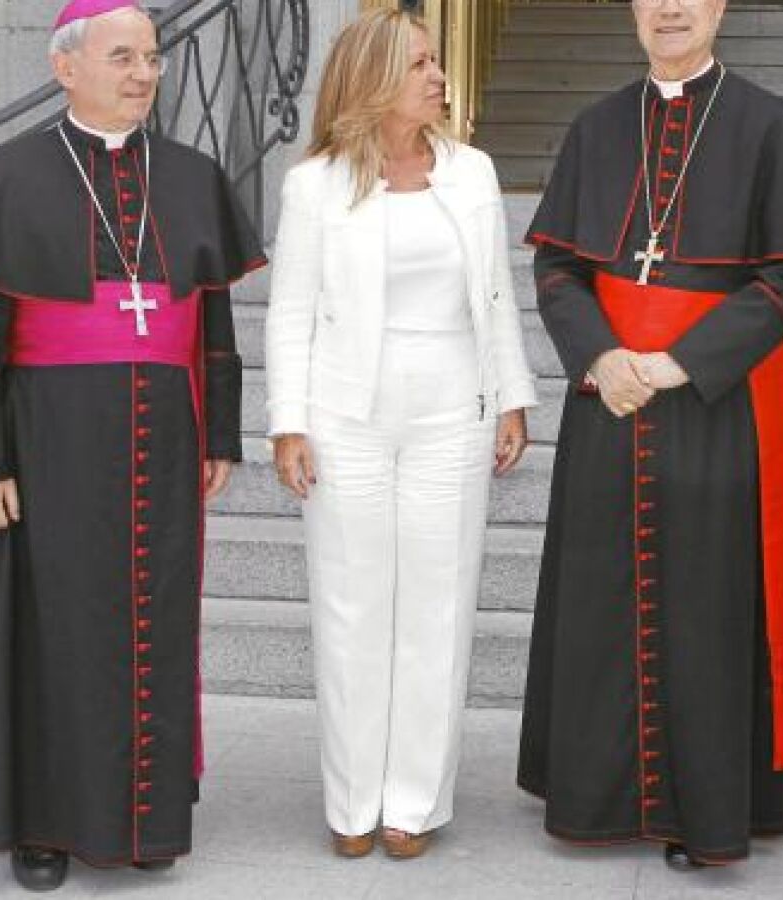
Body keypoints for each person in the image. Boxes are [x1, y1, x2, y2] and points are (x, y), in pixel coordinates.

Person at [0, 0, 264, 890]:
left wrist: (221, 430)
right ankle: (43, 823)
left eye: (151, 57)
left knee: (157, 622)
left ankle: (147, 816)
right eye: (122, 57)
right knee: (54, 623)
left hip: (167, 432)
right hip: (50, 436)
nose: (143, 73)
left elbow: (211, 318)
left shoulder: (191, 176)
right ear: (65, 66)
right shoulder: (3, 178)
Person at [515, 0, 783, 869]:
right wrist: (600, 357)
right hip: (609, 402)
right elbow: (556, 266)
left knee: (710, 605)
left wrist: (682, 363)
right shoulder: (595, 126)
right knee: (601, 598)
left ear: (718, 7)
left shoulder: (770, 126)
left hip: (716, 403)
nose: (669, 9)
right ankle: (600, 794)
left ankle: (706, 807)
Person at [265, 8, 536, 861]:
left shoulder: (472, 171)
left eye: (435, 62)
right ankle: (351, 800)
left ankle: (412, 803)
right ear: (373, 77)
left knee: (438, 608)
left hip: (453, 414)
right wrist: (287, 423)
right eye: (419, 63)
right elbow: (289, 312)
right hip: (345, 417)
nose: (438, 77)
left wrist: (512, 397)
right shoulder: (314, 184)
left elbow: (495, 294)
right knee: (349, 606)